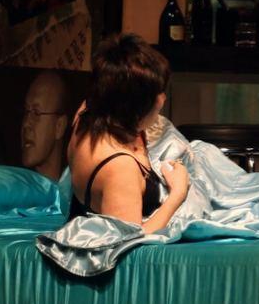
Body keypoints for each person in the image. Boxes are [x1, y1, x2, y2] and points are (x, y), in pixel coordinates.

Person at [67, 34, 189, 232]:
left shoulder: (89, 109)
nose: (163, 99)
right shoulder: (120, 168)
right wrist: (178, 194)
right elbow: (131, 238)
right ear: (135, 108)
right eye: (158, 94)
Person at [21, 71, 70, 181]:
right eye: (26, 111)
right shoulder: (12, 187)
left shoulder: (77, 188)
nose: (26, 124)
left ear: (59, 126)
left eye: (36, 113)